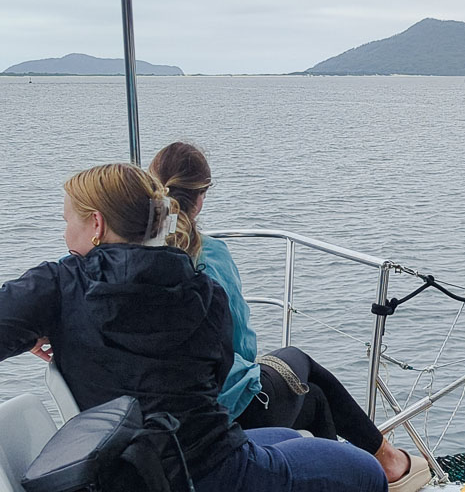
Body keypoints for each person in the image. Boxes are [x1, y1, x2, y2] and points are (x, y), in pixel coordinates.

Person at [0, 163, 388, 492]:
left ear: (96, 224)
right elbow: (218, 377)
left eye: (67, 221)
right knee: (367, 472)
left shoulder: (56, 286)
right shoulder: (201, 287)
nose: (66, 233)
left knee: (288, 436)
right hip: (212, 470)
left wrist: (41, 329)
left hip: (129, 472)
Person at [150, 141, 431, 492]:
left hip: (164, 422)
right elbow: (240, 349)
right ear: (202, 195)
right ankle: (387, 460)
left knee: (313, 397)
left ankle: (362, 470)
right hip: (221, 416)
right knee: (301, 361)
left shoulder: (136, 260)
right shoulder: (209, 256)